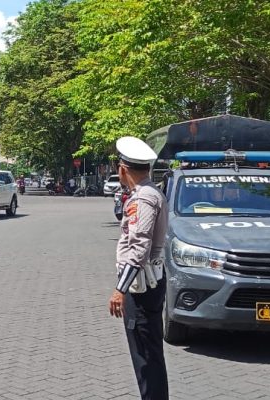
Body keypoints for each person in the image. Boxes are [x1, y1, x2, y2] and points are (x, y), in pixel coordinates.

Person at [108, 136, 168, 400]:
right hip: (149, 281)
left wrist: (120, 290)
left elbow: (139, 248)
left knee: (145, 356)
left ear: (123, 169)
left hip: (142, 287)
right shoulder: (150, 193)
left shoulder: (142, 199)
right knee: (149, 353)